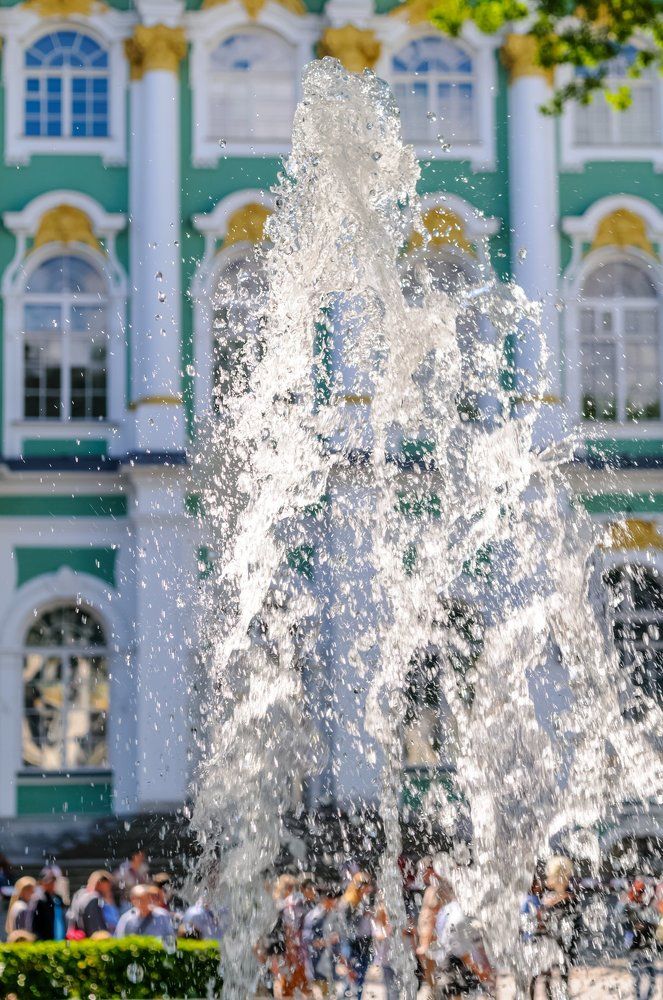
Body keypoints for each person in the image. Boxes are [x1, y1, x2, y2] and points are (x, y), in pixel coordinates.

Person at [430, 878, 495, 999]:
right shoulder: (461, 910)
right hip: (463, 962)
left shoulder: (443, 912)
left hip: (450, 962)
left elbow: (442, 940)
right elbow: (474, 939)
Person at [533, 856, 581, 1000]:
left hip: (554, 947)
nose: (546, 878)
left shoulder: (555, 900)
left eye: (549, 875)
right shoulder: (568, 899)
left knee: (547, 980)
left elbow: (544, 927)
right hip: (561, 948)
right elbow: (576, 928)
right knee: (559, 980)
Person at [619, 877, 659, 1000]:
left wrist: (648, 925)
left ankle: (647, 997)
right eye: (639, 892)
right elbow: (625, 925)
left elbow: (656, 925)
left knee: (651, 974)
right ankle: (637, 997)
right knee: (637, 975)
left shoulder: (650, 907)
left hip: (648, 946)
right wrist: (634, 928)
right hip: (636, 947)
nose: (641, 895)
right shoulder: (629, 907)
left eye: (643, 892)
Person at [338, 871, 375, 999]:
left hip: (364, 942)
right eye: (367, 885)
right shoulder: (349, 901)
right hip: (354, 945)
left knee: (359, 978)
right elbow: (347, 929)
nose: (369, 888)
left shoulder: (363, 900)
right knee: (353, 977)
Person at [302, 887, 341, 997]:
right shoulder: (314, 916)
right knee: (320, 993)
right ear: (326, 900)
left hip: (329, 964)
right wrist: (325, 941)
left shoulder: (333, 915)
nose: (336, 903)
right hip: (317, 964)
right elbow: (307, 939)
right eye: (334, 900)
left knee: (328, 993)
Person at [66, 871, 114, 938]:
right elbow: (96, 929)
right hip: (89, 938)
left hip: (78, 936)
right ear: (100, 883)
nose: (109, 888)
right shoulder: (94, 899)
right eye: (108, 885)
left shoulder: (79, 894)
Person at [30, 866, 66, 941]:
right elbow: (35, 924)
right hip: (46, 938)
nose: (52, 883)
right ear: (42, 882)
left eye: (53, 880)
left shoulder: (58, 898)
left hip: (60, 936)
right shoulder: (39, 899)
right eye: (49, 880)